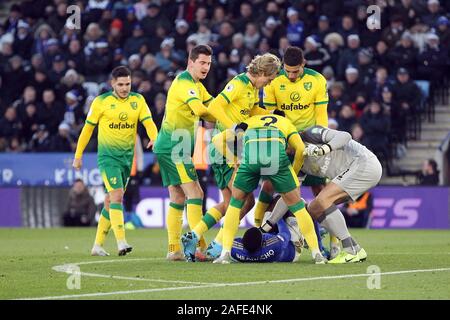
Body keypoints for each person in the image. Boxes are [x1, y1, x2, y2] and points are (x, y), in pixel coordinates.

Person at [181, 53, 282, 262]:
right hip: (224, 149)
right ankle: (217, 246)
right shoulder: (238, 83)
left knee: (232, 204)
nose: (268, 83)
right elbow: (215, 107)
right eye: (269, 79)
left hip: (230, 148)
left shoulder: (252, 88)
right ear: (262, 72)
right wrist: (233, 127)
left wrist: (269, 115)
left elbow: (250, 109)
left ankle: (195, 236)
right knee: (243, 201)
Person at [210, 114, 326, 264]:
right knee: (298, 208)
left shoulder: (249, 121)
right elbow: (301, 149)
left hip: (251, 156)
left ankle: (224, 254)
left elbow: (216, 140)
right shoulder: (286, 121)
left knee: (234, 205)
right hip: (276, 156)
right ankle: (317, 254)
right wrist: (294, 172)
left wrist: (234, 161)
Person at [263, 125, 381, 263]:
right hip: (353, 171)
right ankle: (355, 248)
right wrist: (269, 223)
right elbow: (289, 196)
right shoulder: (293, 161)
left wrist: (323, 149)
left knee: (322, 200)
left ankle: (351, 250)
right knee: (314, 208)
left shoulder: (309, 134)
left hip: (363, 162)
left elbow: (345, 135)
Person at [73, 66, 158, 256]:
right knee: (117, 196)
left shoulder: (138, 100)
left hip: (127, 159)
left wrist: (154, 137)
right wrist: (78, 156)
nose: (125, 88)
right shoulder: (101, 102)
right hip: (108, 158)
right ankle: (121, 241)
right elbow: (87, 131)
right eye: (120, 84)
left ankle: (97, 245)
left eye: (128, 84)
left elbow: (148, 121)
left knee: (110, 201)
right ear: (113, 84)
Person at [152, 45, 226, 261]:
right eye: (202, 63)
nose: (206, 67)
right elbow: (202, 111)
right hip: (175, 145)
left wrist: (231, 106)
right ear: (190, 62)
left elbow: (214, 104)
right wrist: (231, 123)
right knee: (196, 194)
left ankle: (174, 249)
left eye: (209, 63)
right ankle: (199, 247)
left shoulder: (197, 85)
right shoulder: (185, 82)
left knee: (177, 195)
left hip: (175, 144)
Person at [255, 46, 330, 256]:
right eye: (287, 70)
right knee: (269, 185)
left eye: (295, 71)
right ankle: (262, 232)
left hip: (309, 142)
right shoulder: (274, 81)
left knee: (320, 192)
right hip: (283, 140)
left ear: (303, 64)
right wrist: (281, 139)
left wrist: (320, 144)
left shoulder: (317, 80)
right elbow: (271, 115)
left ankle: (327, 242)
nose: (290, 75)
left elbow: (321, 117)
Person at [231, 213, 304, 263]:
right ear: (263, 242)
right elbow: (285, 234)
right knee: (293, 209)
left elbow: (224, 243)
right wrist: (278, 216)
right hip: (292, 247)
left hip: (274, 238)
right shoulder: (274, 244)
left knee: (270, 209)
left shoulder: (235, 250)